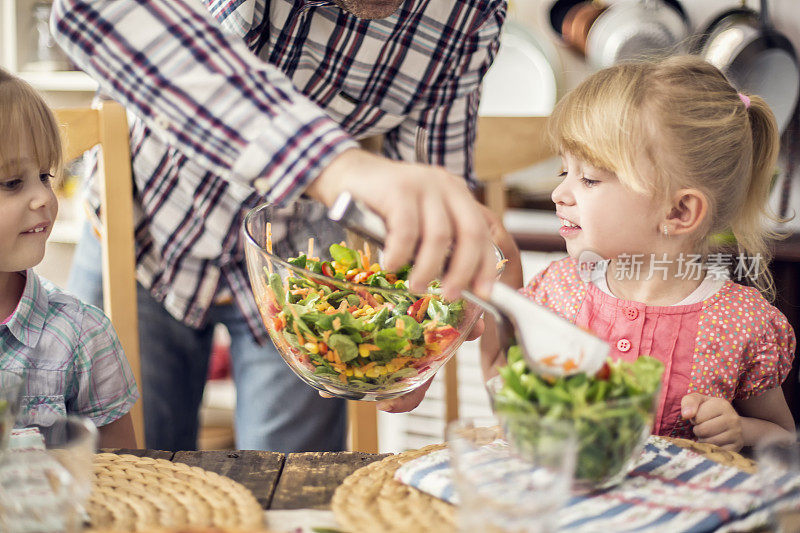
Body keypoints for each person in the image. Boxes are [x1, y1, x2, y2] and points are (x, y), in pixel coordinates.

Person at [51, 0, 506, 451]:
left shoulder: (471, 10)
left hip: (302, 271)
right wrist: (330, 163)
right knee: (128, 490)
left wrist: (420, 324)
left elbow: (428, 192)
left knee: (292, 495)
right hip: (143, 229)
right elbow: (90, 9)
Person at [482, 55, 796, 451]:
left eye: (590, 179)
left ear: (678, 211)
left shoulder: (743, 324)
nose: (558, 194)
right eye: (566, 172)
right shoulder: (557, 291)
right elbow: (504, 390)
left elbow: (784, 440)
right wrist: (497, 283)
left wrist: (741, 430)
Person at [0, 69, 138, 448]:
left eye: (44, 176)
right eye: (12, 183)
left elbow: (124, 480)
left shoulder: (84, 336)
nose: (45, 197)